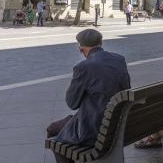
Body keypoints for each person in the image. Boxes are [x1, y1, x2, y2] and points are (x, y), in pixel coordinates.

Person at [46, 29, 130, 163]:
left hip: (94, 130)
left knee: (53, 131)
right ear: (101, 43)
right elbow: (125, 88)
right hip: (119, 124)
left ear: (80, 49)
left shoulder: (83, 67)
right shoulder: (119, 60)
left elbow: (72, 103)